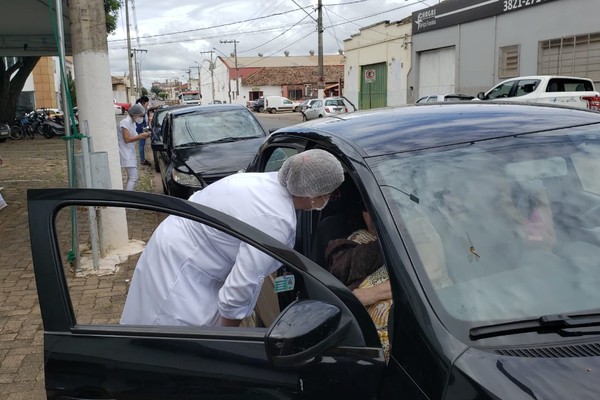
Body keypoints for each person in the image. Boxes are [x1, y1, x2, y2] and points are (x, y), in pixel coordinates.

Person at [120, 149, 345, 327]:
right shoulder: (276, 219)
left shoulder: (267, 182)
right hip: (182, 265)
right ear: (314, 193)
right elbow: (241, 287)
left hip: (180, 245)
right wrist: (233, 341)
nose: (330, 199)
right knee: (169, 337)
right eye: (330, 193)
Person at [325, 206, 392, 361]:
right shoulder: (357, 239)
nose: (373, 216)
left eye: (377, 210)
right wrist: (388, 243)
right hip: (369, 340)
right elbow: (341, 269)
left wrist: (375, 293)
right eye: (366, 209)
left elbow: (429, 276)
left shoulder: (419, 234)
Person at [118, 103, 150, 191]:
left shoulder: (132, 122)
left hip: (130, 152)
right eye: (140, 116)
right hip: (125, 153)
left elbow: (134, 136)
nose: (141, 118)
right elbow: (127, 139)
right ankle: (128, 198)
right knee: (133, 177)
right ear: (135, 114)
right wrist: (140, 136)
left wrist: (144, 135)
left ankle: (127, 196)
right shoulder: (125, 122)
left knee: (131, 177)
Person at [135, 96, 152, 167]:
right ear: (144, 102)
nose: (147, 104)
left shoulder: (140, 106)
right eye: (147, 103)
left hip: (142, 127)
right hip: (140, 127)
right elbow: (141, 116)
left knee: (142, 143)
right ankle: (142, 160)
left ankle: (142, 159)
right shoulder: (139, 108)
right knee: (141, 144)